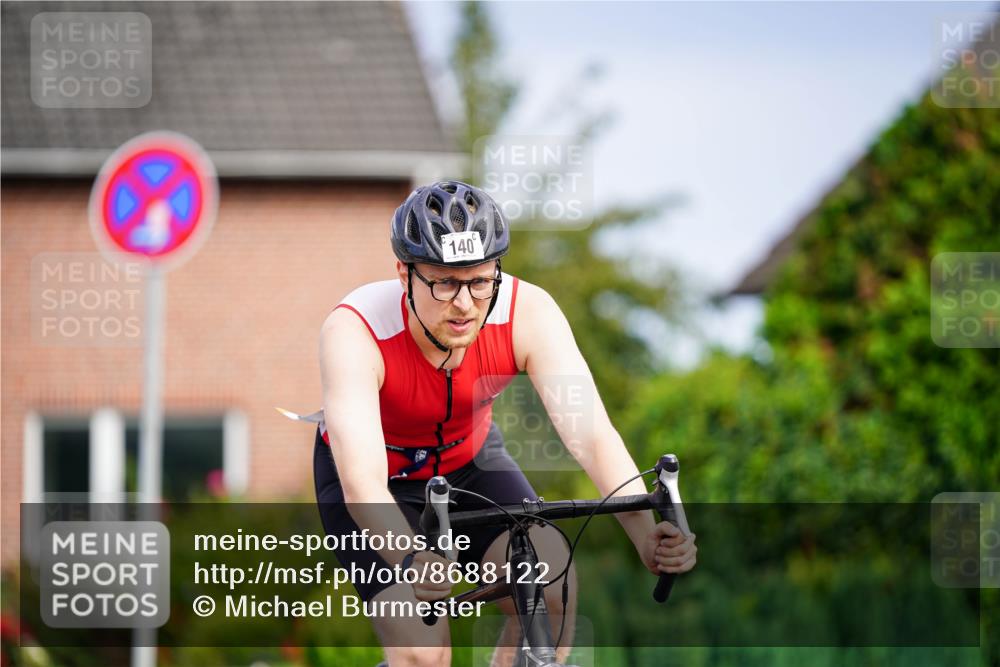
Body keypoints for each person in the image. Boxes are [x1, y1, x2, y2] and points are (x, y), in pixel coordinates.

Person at [314, 180, 697, 667]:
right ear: (404, 275)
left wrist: (644, 533)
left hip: (469, 463)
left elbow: (591, 436)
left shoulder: (527, 313)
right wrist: (412, 557)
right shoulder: (355, 330)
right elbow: (361, 483)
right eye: (444, 282)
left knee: (550, 584)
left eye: (479, 281)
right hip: (378, 485)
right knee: (422, 655)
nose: (464, 304)